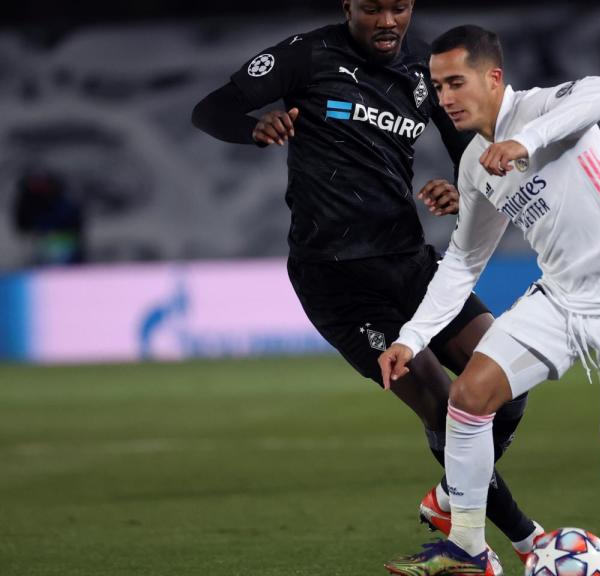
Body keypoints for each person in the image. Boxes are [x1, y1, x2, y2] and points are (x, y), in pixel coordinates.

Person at [190, 1, 543, 567]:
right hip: (337, 280)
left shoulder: (423, 76)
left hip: (411, 266)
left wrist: (460, 193)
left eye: (398, 7)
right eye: (372, 8)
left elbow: (469, 158)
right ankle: (522, 543)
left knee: (507, 378)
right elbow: (211, 109)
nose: (387, 21)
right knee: (446, 406)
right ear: (347, 8)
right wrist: (254, 126)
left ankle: (452, 497)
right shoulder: (307, 55)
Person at [379, 25, 600, 576]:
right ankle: (469, 550)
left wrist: (526, 141)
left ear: (493, 77)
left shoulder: (546, 107)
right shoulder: (476, 163)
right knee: (470, 397)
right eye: (437, 86)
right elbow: (464, 260)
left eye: (456, 82)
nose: (444, 98)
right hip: (561, 299)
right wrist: (411, 337)